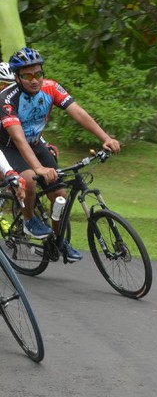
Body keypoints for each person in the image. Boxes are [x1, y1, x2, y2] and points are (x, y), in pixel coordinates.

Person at [0, 47, 121, 261]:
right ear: (17, 78)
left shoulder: (51, 88)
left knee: (60, 197)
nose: (34, 80)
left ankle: (58, 241)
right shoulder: (7, 99)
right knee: (28, 179)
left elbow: (79, 113)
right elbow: (18, 139)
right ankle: (29, 220)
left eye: (38, 74)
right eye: (27, 76)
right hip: (9, 146)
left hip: (35, 143)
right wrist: (37, 168)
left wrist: (105, 138)